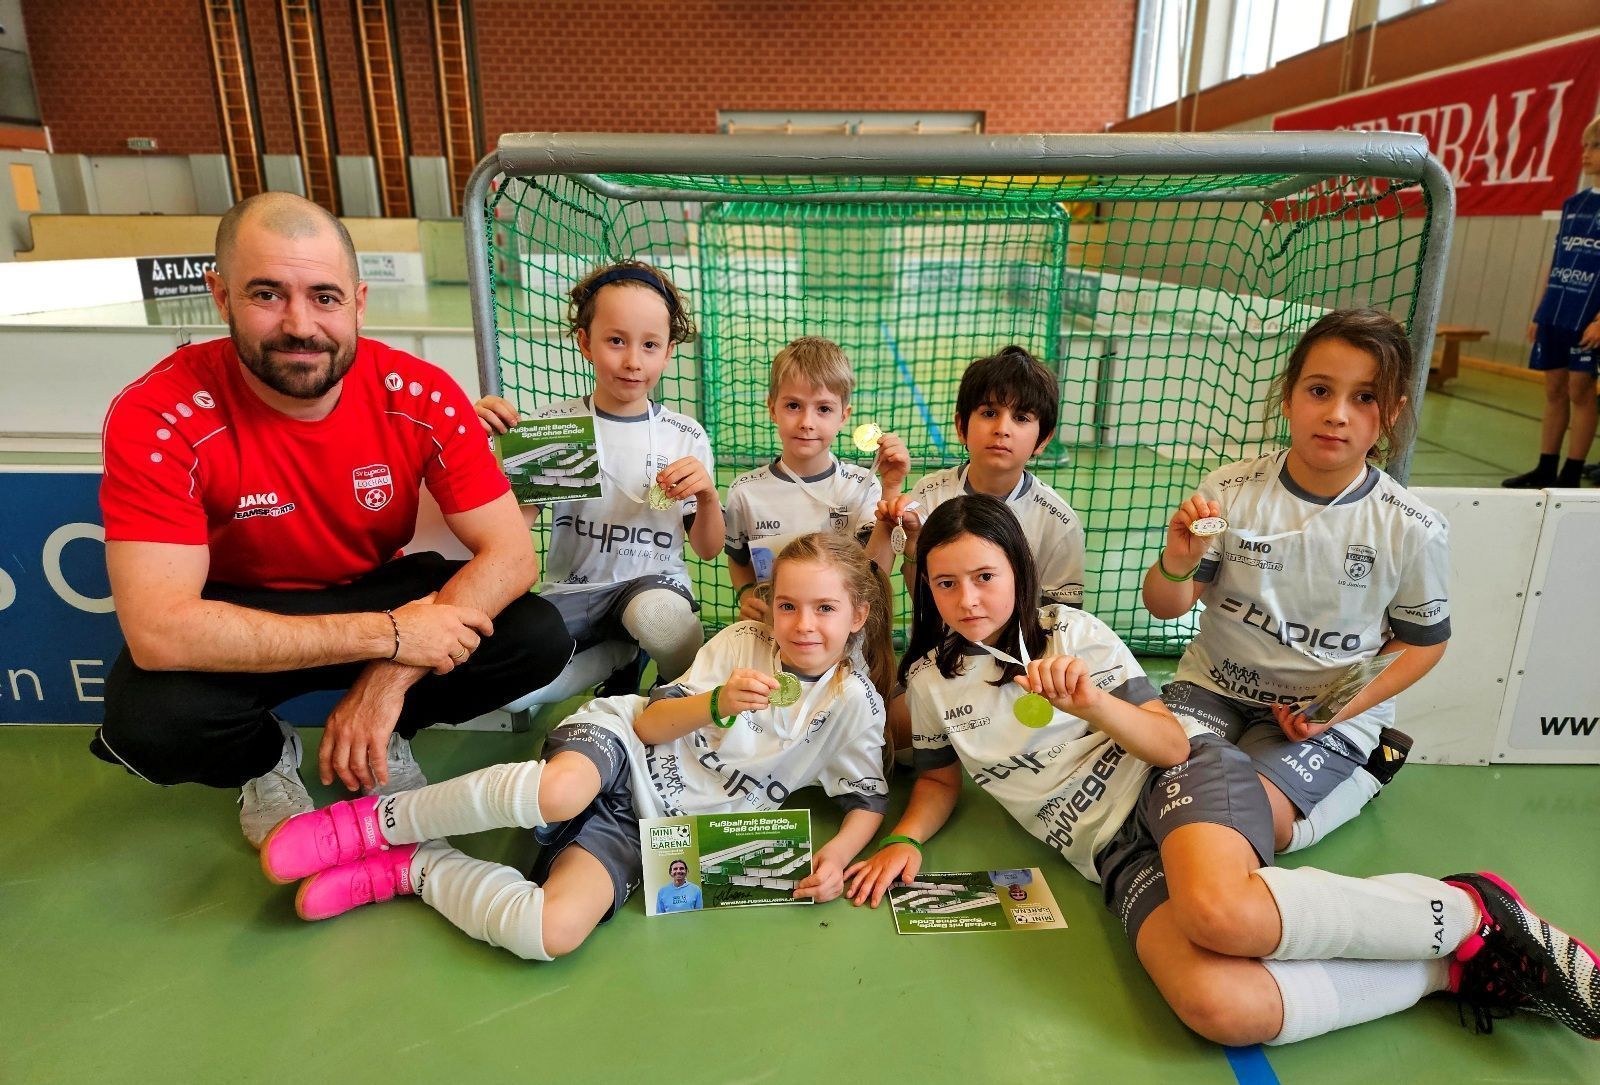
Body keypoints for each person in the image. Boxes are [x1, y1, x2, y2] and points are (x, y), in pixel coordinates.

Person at [845, 495, 1599, 1046]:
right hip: (1110, 854)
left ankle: (1472, 911)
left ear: (1018, 568)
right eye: (947, 584)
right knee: (1217, 1005)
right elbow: (940, 780)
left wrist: (1093, 703)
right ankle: (1451, 971)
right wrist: (906, 839)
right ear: (927, 589)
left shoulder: (1072, 634)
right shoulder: (932, 682)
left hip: (1175, 783)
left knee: (1221, 914)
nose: (968, 599)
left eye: (985, 575)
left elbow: (1171, 743)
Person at [92, 192, 573, 846]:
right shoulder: (160, 413)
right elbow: (160, 629)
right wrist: (390, 635)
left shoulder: (421, 393)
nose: (299, 323)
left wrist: (388, 680)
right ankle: (264, 759)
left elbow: (512, 556)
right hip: (240, 609)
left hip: (375, 586)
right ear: (220, 294)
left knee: (534, 633)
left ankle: (386, 729)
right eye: (267, 293)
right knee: (147, 723)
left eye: (324, 296)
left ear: (359, 301)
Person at [258, 533, 894, 961]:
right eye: (788, 605)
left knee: (553, 933)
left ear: (858, 615)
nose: (803, 625)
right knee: (561, 790)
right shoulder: (741, 644)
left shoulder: (854, 705)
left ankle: (411, 868)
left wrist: (836, 857)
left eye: (824, 609)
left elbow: (866, 799)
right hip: (625, 744)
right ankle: (372, 822)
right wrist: (716, 704)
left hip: (655, 825)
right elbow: (649, 723)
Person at [1144, 309, 1448, 854]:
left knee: (1253, 825)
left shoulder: (1410, 527)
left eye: (1364, 397)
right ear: (1288, 397)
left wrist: (1336, 709)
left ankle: (1366, 773)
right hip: (1214, 688)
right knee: (1153, 793)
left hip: (1321, 712)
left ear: (1393, 412)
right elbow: (1165, 607)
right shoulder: (1230, 490)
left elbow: (1424, 643)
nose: (1336, 414)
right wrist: (1177, 560)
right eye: (1319, 390)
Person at [476, 259, 722, 704]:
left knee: (659, 620)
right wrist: (485, 456)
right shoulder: (557, 426)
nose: (632, 361)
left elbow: (707, 549)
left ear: (668, 352)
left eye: (650, 345)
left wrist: (707, 496)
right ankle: (620, 656)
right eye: (615, 341)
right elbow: (511, 532)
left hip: (650, 583)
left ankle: (677, 692)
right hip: (572, 590)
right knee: (511, 694)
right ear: (586, 343)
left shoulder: (683, 435)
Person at [875, 344, 1087, 756]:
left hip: (1019, 667)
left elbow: (1063, 619)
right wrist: (916, 545)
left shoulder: (1058, 521)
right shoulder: (930, 495)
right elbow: (920, 589)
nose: (1002, 428)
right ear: (961, 426)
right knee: (889, 742)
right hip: (940, 653)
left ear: (1042, 440)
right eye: (989, 413)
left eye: (1021, 418)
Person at [724, 336, 909, 622]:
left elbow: (876, 573)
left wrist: (892, 487)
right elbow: (738, 560)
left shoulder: (862, 486)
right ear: (772, 408)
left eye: (823, 409)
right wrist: (747, 593)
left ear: (843, 416)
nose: (807, 422)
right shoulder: (745, 492)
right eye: (793, 406)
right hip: (774, 630)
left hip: (843, 634)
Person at [1503, 115, 1600, 489]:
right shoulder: (1573, 203)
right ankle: (1546, 466)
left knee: (1581, 390)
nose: (1586, 154)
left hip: (1588, 316)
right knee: (1554, 388)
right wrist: (1540, 310)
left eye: (1595, 146)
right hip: (1557, 311)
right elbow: (1557, 258)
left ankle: (1571, 473)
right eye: (1585, 146)